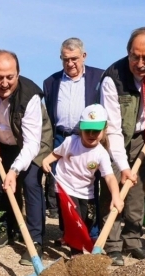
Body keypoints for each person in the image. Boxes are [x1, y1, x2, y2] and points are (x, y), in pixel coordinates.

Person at [0, 50, 53, 266]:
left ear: (18, 74)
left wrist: (14, 170)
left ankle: (35, 240)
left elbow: (31, 144)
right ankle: (4, 228)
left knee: (30, 183)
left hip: (32, 141)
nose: (4, 83)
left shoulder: (30, 97)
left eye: (10, 77)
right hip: (0, 139)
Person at [99, 27, 145, 266]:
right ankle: (112, 245)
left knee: (137, 193)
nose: (139, 63)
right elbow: (114, 129)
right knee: (114, 188)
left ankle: (133, 240)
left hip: (142, 134)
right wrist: (122, 165)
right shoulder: (112, 79)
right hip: (115, 137)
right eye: (134, 56)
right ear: (128, 53)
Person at [41, 104, 124, 256]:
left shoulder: (101, 153)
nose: (91, 134)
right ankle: (76, 254)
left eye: (96, 131)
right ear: (80, 129)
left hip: (86, 191)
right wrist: (46, 161)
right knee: (75, 222)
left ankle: (72, 239)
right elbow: (56, 154)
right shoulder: (70, 142)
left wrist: (116, 196)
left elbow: (110, 177)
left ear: (104, 130)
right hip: (66, 187)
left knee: (88, 220)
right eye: (87, 130)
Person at [43, 37, 105, 236]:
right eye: (65, 59)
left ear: (84, 56)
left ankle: (91, 231)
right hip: (62, 139)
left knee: (90, 184)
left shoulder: (99, 78)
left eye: (74, 59)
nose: (70, 63)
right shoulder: (50, 82)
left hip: (88, 139)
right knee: (62, 186)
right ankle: (68, 231)